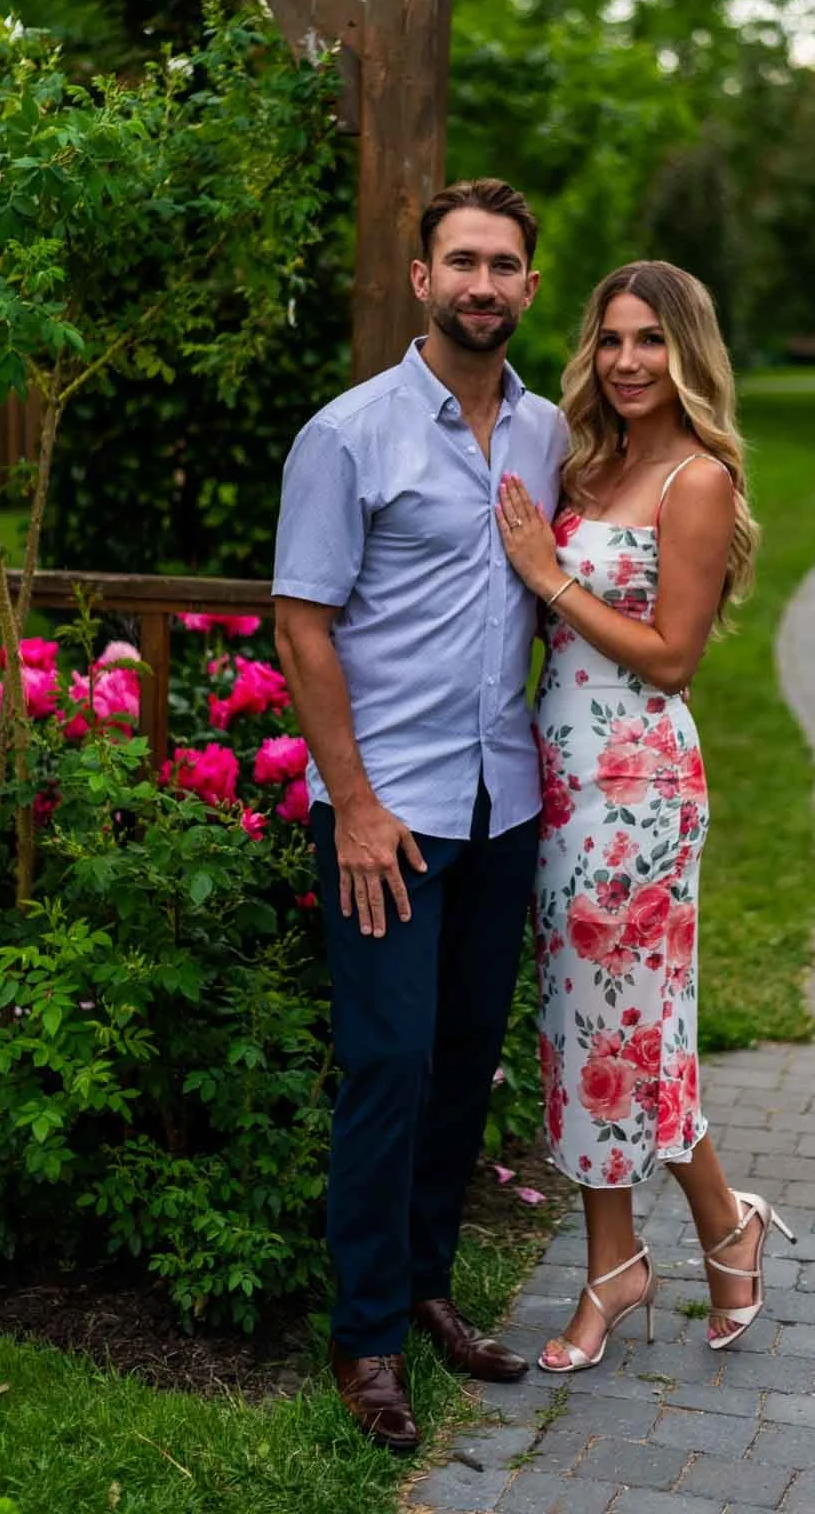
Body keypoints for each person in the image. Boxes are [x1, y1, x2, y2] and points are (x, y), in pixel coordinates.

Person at [272, 178, 567, 1451]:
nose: (482, 285)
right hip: (387, 815)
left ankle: (431, 1289)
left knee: (456, 1067)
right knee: (387, 1068)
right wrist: (350, 804)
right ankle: (367, 1335)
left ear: (528, 287)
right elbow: (301, 621)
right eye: (461, 262)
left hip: (501, 805)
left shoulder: (549, 433)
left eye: (503, 265)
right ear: (418, 278)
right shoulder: (348, 434)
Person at [495, 259, 793, 1372]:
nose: (625, 362)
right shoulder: (593, 462)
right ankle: (644, 1256)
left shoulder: (694, 479)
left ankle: (702, 1232)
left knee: (630, 1029)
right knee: (586, 1031)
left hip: (640, 789)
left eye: (649, 342)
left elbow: (670, 659)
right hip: (562, 778)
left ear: (686, 353)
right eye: (611, 340)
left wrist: (548, 575)